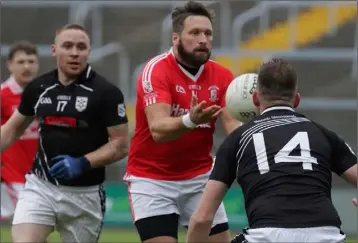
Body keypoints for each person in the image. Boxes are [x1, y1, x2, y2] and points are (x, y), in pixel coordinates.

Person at [187, 58, 357, 243]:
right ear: (297, 100)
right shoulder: (324, 135)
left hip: (267, 235)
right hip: (326, 236)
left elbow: (202, 218)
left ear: (255, 99)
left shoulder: (237, 140)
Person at [123, 1, 240, 242]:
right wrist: (190, 120)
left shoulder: (222, 75)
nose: (203, 39)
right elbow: (158, 129)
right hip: (152, 180)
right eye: (195, 33)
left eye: (208, 33)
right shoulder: (156, 70)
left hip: (199, 179)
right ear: (176, 38)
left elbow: (234, 129)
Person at [0, 24, 129, 243]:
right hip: (40, 187)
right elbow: (11, 130)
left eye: (81, 47)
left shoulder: (106, 93)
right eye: (67, 46)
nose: (74, 52)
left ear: (88, 51)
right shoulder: (38, 88)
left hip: (85, 195)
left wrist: (83, 163)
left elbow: (120, 145)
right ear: (54, 50)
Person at [1, 41, 40, 221]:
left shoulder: (45, 94)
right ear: (10, 65)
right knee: (29, 226)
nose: (27, 67)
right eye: (21, 62)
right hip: (11, 176)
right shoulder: (3, 95)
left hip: (39, 176)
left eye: (31, 62)